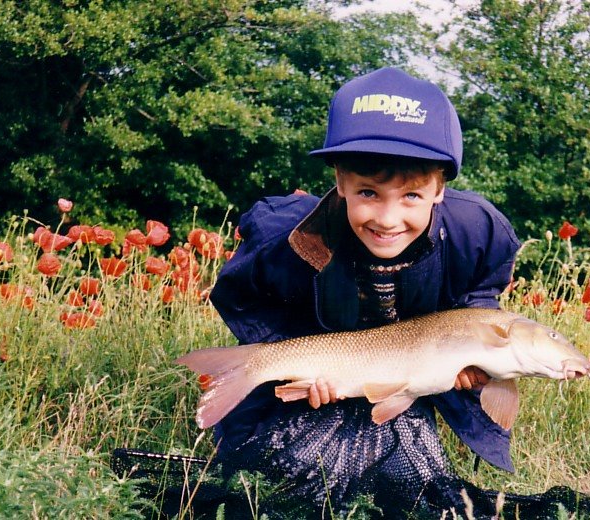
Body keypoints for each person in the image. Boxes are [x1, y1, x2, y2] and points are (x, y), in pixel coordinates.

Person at [207, 67, 520, 517]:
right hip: (321, 376)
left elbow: (477, 302)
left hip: (406, 380)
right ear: (340, 182)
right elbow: (241, 296)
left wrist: (472, 363)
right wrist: (294, 360)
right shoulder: (288, 238)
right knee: (283, 481)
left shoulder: (478, 232)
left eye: (411, 196)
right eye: (369, 193)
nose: (388, 219)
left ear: (439, 189)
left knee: (409, 478)